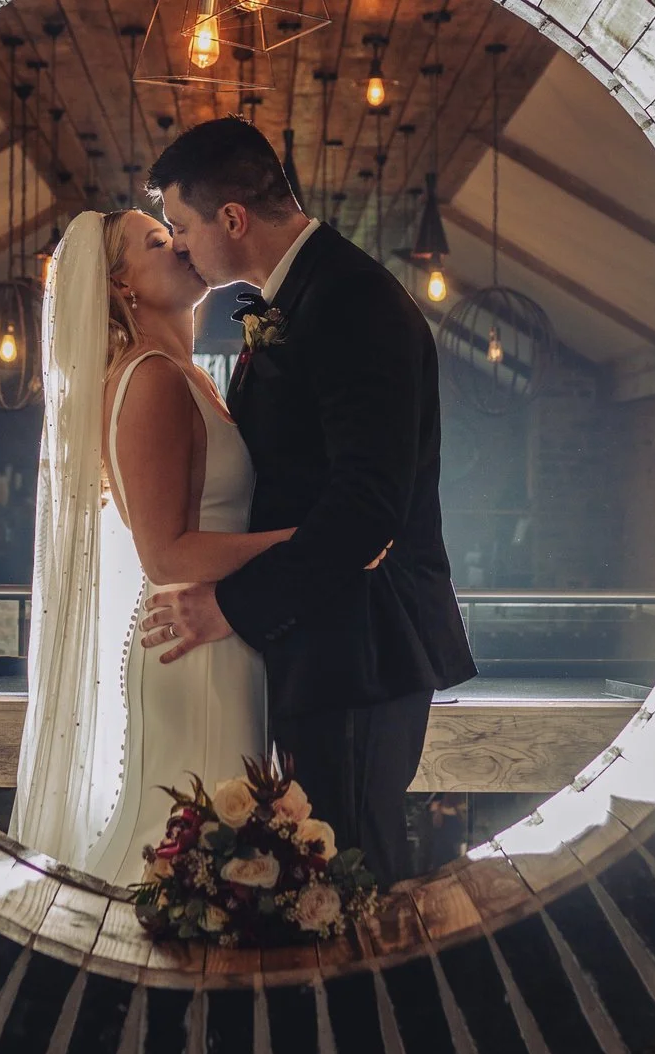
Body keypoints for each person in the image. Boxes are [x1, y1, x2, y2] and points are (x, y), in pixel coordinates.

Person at [141, 117, 476, 882]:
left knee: (356, 872)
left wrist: (236, 605)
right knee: (322, 874)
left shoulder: (353, 300)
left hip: (362, 645)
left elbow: (367, 507)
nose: (181, 244)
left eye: (181, 225)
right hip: (322, 641)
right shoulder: (302, 295)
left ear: (231, 217)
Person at [8, 208, 293, 883]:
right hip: (193, 647)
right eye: (157, 242)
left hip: (221, 632)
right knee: (195, 862)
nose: (180, 247)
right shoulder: (152, 379)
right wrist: (305, 542)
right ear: (121, 285)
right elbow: (164, 554)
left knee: (222, 859)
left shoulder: (184, 373)